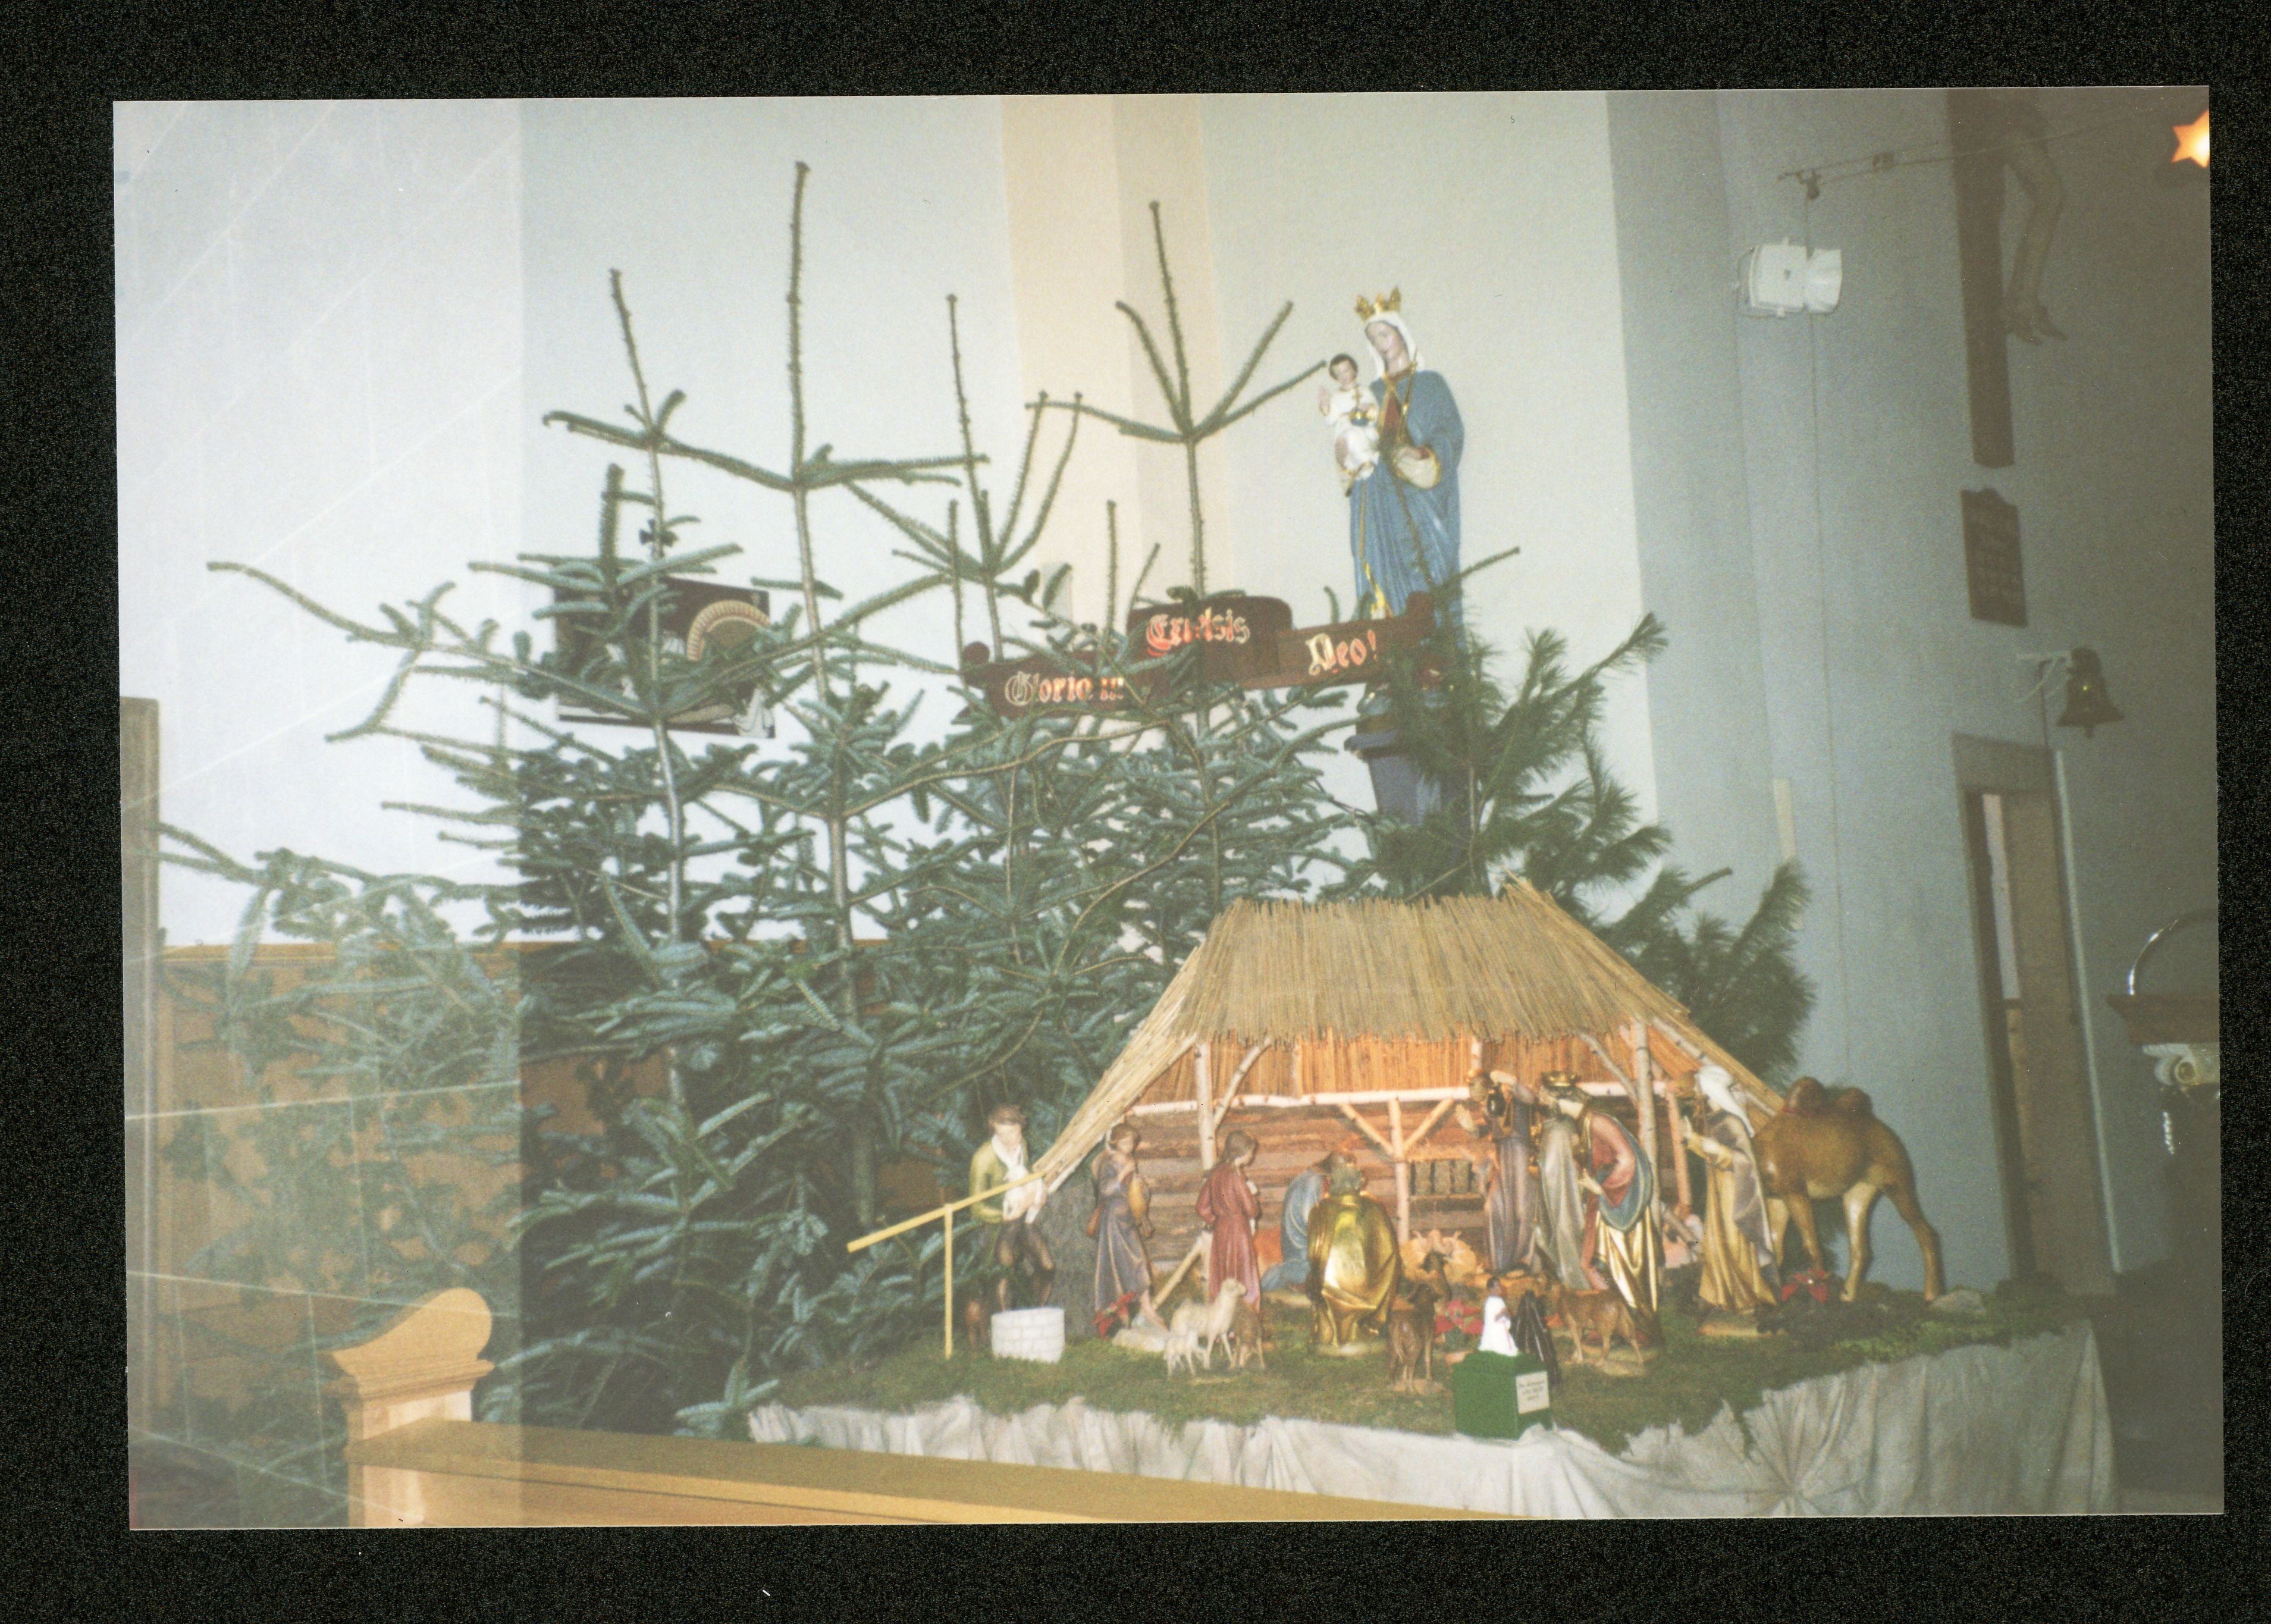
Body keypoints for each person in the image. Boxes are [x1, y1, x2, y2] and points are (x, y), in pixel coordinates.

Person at [1347, 292, 1463, 625]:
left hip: (1421, 497)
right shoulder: (1371, 394)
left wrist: (1422, 454)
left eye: (1384, 334)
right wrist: (1348, 452)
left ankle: (1434, 644)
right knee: (1384, 570)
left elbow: (1451, 432)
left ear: (1401, 333)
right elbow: (1359, 443)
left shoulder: (1430, 385)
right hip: (1380, 499)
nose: (1381, 345)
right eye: (1373, 339)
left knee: (1429, 575)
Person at [1554, 1080, 1661, 1320]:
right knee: (1595, 1265)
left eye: (1551, 1099)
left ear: (1564, 1099)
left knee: (1608, 1266)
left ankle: (1630, 1320)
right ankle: (1617, 1319)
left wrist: (1602, 1188)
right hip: (1603, 1203)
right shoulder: (1585, 1122)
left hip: (1616, 1205)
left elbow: (1628, 1159)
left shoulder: (1597, 1121)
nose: (1549, 1104)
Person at [1686, 1065, 1780, 1316]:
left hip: (1735, 1191)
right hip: (1719, 1191)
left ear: (1710, 1092)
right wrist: (1694, 1140)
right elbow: (1710, 1152)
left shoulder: (1731, 1121)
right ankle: (1723, 1295)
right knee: (1717, 1242)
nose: (1696, 1097)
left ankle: (1748, 1297)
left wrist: (1717, 1150)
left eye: (1698, 1091)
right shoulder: (1712, 1121)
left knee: (1735, 1241)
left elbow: (1745, 1160)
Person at [1305, 1155, 1401, 1351]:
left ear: (1332, 1182)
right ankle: (1364, 1327)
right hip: (1368, 1292)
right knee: (1391, 1267)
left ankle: (1330, 1334)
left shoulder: (1319, 1210)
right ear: (1358, 1182)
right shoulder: (1372, 1207)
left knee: (1317, 1281)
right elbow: (1389, 1254)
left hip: (1327, 1289)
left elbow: (1313, 1253)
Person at [968, 1103, 1053, 1314]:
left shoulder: (1022, 1145)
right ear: (994, 1130)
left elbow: (1027, 1173)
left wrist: (1037, 1191)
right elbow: (977, 1207)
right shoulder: (983, 1159)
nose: (1009, 1139)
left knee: (1047, 1266)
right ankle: (1002, 1322)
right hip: (998, 1225)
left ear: (1021, 1128)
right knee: (1004, 1271)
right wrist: (1004, 1216)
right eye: (1002, 1134)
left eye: (1014, 1132)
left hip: (1022, 1219)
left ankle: (1035, 1310)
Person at [1460, 1068, 1542, 1277]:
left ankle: (1523, 1262)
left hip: (1521, 1152)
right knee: (1492, 1207)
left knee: (1523, 1208)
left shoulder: (1512, 1094)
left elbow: (1531, 1098)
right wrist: (1472, 1128)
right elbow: (1490, 1126)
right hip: (1503, 1156)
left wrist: (1513, 1082)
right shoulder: (1491, 1102)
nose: (1471, 1091)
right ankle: (1497, 1261)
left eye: (1473, 1085)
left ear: (1485, 1083)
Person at [1532, 1071, 1593, 1291]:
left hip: (1562, 1198)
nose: (1541, 1096)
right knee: (1559, 1225)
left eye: (1544, 1092)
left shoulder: (1560, 1131)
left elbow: (1559, 1176)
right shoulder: (1555, 1127)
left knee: (1565, 1224)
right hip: (1555, 1192)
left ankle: (1578, 1284)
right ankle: (1569, 1279)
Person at [1089, 1121, 1155, 1312]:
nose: (1129, 1146)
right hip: (1114, 1223)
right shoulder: (1109, 1164)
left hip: (1128, 1220)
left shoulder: (1131, 1161)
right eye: (1125, 1142)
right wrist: (1123, 1174)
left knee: (1139, 1261)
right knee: (1118, 1266)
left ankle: (1146, 1307)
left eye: (1132, 1142)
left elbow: (1137, 1194)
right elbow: (1105, 1190)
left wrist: (1142, 1186)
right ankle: (1121, 1312)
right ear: (1115, 1142)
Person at [1194, 1129, 1263, 1308]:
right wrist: (1252, 1200)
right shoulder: (1236, 1175)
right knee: (1242, 1271)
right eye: (1251, 1152)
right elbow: (1252, 1210)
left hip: (1221, 1229)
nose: (1252, 1156)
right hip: (1238, 1229)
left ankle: (1222, 1311)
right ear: (1243, 1152)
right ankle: (1246, 1310)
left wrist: (1216, 1220)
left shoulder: (1216, 1172)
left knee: (1223, 1270)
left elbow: (1201, 1207)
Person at [1259, 1151, 1331, 1295]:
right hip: (1301, 1252)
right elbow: (1310, 1220)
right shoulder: (1314, 1182)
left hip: (1299, 1246)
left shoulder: (1309, 1177)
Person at [1316, 352, 1380, 494]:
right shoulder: (1337, 397)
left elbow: (1376, 413)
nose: (1343, 376)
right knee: (1351, 437)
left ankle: (1368, 461)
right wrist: (1325, 404)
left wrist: (1368, 409)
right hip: (1347, 429)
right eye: (1339, 374)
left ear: (1354, 370)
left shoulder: (1365, 391)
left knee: (1364, 435)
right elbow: (1330, 420)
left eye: (1346, 371)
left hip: (1365, 426)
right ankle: (1362, 463)